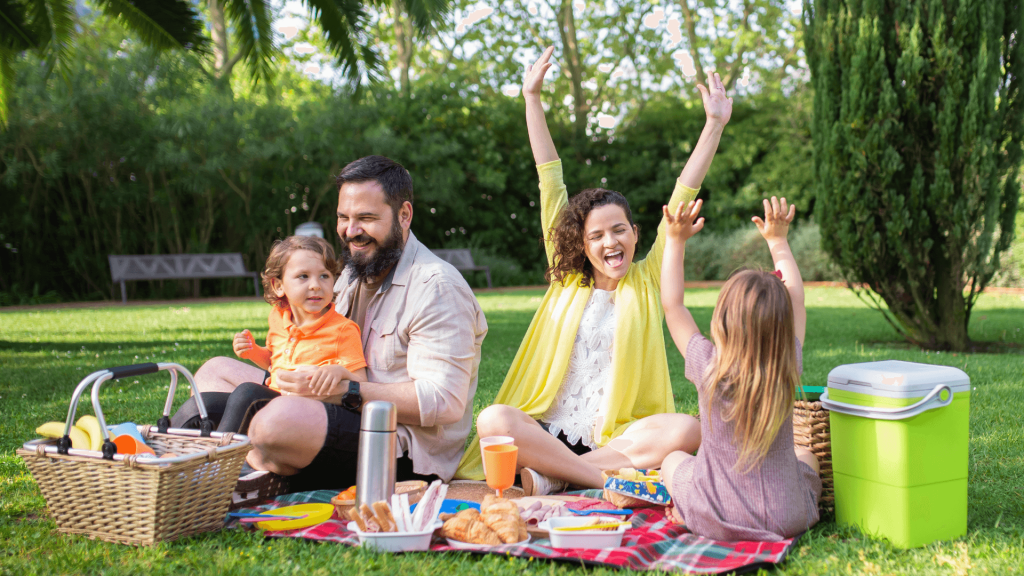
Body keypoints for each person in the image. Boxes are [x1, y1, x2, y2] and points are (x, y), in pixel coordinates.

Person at [457, 46, 731, 496]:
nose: (610, 242)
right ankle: (601, 481)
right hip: (545, 428)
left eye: (619, 230)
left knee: (687, 429)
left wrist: (714, 125)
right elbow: (550, 177)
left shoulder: (647, 279)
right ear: (581, 245)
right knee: (494, 420)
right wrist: (532, 98)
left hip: (616, 440)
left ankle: (551, 477)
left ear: (636, 234)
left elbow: (684, 192)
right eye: (597, 236)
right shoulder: (566, 278)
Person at [175, 155, 487, 496]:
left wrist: (347, 392)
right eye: (344, 217)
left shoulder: (436, 286)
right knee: (213, 372)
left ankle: (243, 469)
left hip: (398, 445)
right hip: (324, 404)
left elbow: (444, 402)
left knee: (274, 421)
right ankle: (233, 462)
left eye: (366, 218)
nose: (351, 231)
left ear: (404, 215)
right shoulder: (352, 273)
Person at [658, 196, 822, 541]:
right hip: (785, 517)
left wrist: (675, 241)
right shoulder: (786, 361)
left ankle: (684, 510)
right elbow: (797, 299)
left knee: (673, 460)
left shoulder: (708, 365)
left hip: (714, 515)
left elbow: (673, 307)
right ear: (782, 325)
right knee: (806, 455)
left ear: (723, 319)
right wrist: (778, 241)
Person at [209, 235, 369, 435]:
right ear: (278, 286)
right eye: (303, 276)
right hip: (275, 399)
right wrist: (253, 352)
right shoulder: (278, 317)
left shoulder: (342, 330)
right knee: (207, 403)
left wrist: (340, 372)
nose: (316, 285)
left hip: (310, 413)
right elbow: (274, 362)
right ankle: (170, 455)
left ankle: (220, 460)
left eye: (324, 276)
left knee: (247, 393)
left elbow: (362, 382)